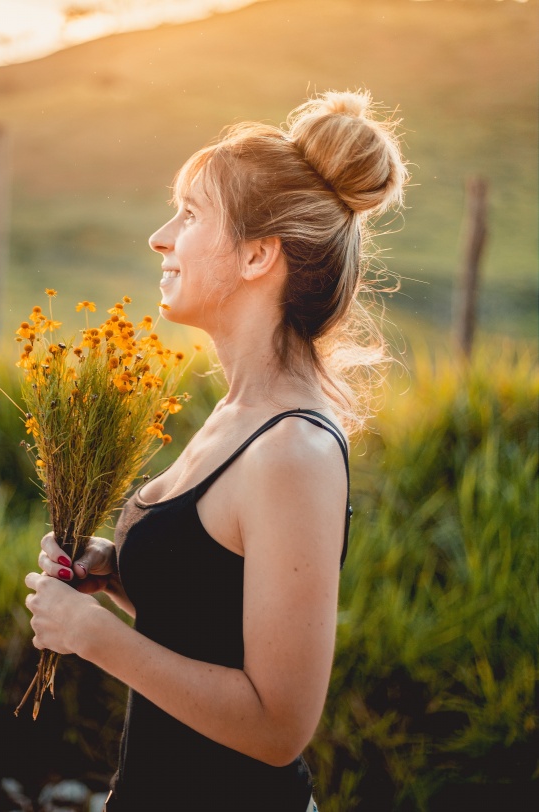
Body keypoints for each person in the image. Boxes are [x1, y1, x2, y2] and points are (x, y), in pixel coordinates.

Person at [24, 89, 408, 811]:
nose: (161, 238)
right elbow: (216, 628)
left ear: (259, 254)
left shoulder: (292, 449)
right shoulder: (235, 414)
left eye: (191, 213)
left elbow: (277, 727)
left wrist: (94, 639)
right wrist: (120, 578)